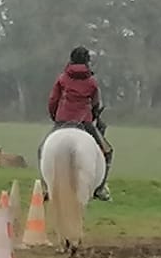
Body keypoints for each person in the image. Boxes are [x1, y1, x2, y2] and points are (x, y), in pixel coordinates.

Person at [48, 46, 113, 200]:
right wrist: (95, 114)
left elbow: (53, 100)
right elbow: (97, 104)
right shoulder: (92, 82)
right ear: (87, 62)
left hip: (62, 120)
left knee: (42, 150)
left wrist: (56, 118)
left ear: (71, 59)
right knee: (107, 152)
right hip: (84, 122)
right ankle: (100, 189)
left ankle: (46, 187)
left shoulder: (62, 78)